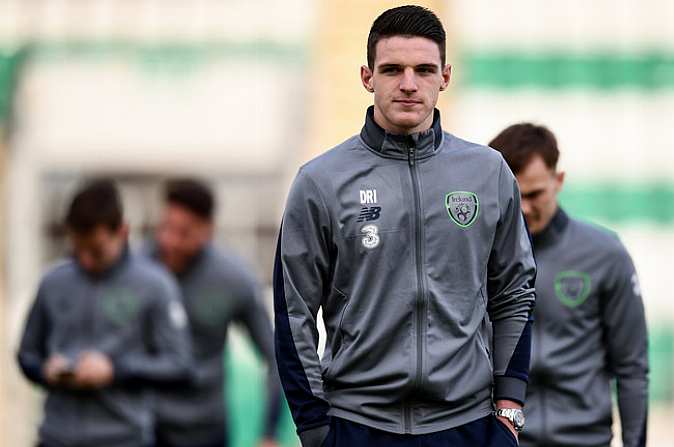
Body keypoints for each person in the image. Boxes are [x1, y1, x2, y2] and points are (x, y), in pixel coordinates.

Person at [274, 5, 536, 447]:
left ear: (446, 77)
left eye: (424, 69)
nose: (409, 84)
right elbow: (292, 310)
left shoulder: (488, 174)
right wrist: (314, 426)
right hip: (357, 425)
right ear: (366, 76)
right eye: (392, 69)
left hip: (466, 425)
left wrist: (509, 405)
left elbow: (514, 289)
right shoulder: (320, 181)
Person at [490, 123, 649, 447]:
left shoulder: (605, 254)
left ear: (558, 181)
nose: (524, 208)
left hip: (586, 440)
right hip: (506, 440)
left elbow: (632, 368)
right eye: (514, 196)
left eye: (535, 195)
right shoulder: (477, 257)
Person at [17, 179, 192, 447]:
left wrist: (115, 370)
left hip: (125, 439)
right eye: (78, 249)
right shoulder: (53, 282)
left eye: (96, 251)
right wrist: (45, 371)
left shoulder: (156, 285)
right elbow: (26, 354)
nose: (85, 260)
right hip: (55, 438)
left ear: (122, 232)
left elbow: (179, 365)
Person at [148, 178, 282, 447]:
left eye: (183, 233)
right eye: (165, 228)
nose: (169, 241)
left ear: (208, 230)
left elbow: (275, 358)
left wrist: (268, 433)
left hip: (206, 431)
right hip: (145, 428)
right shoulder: (137, 271)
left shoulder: (234, 279)